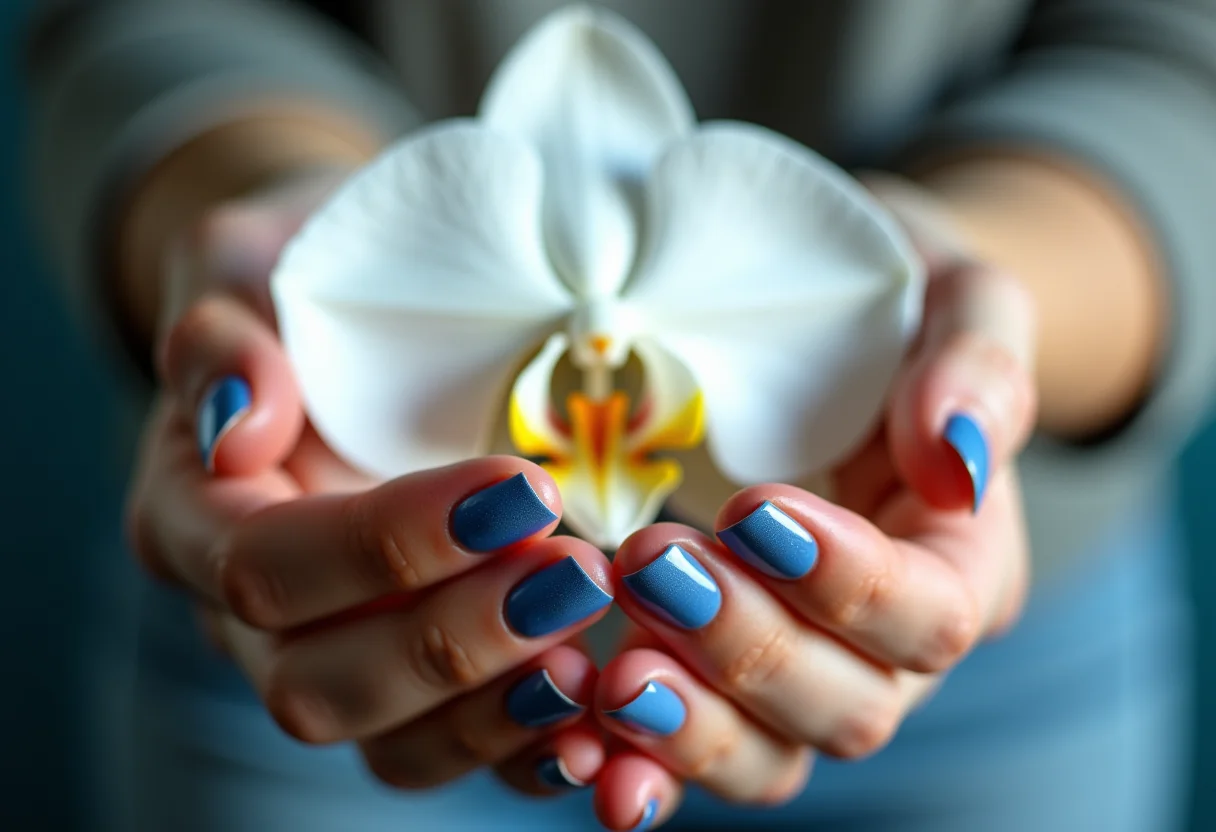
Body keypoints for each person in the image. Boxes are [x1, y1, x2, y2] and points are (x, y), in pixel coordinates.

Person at [24, 1, 1216, 830]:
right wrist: (261, 213)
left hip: (980, 668)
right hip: (331, 616)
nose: (599, 387)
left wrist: (993, 300)